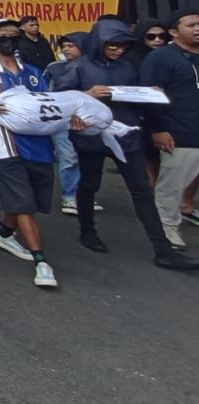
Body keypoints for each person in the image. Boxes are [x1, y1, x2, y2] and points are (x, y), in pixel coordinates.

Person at [49, 19, 198, 270]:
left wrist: (150, 93)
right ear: (99, 42)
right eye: (113, 45)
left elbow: (137, 97)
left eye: (124, 45)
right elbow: (59, 101)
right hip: (92, 135)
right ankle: (88, 230)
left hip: (125, 133)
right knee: (89, 184)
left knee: (141, 191)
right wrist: (87, 95)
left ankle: (162, 249)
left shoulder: (127, 67)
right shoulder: (78, 67)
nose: (119, 49)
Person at [0, 20, 62, 288]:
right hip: (6, 145)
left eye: (13, 35)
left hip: (40, 145)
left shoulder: (32, 72)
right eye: (2, 36)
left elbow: (49, 104)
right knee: (23, 202)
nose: (9, 39)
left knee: (29, 197)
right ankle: (41, 261)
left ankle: (4, 233)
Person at [140, 10, 199, 249]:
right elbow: (150, 96)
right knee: (172, 183)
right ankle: (167, 226)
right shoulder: (162, 58)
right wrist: (158, 129)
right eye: (192, 24)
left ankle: (184, 210)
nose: (198, 28)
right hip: (179, 134)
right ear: (174, 31)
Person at [45, 34, 87, 215]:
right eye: (64, 46)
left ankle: (84, 195)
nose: (66, 49)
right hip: (62, 121)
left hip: (88, 121)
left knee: (86, 159)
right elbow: (44, 92)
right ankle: (69, 196)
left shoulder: (93, 68)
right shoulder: (54, 68)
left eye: (72, 45)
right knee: (68, 157)